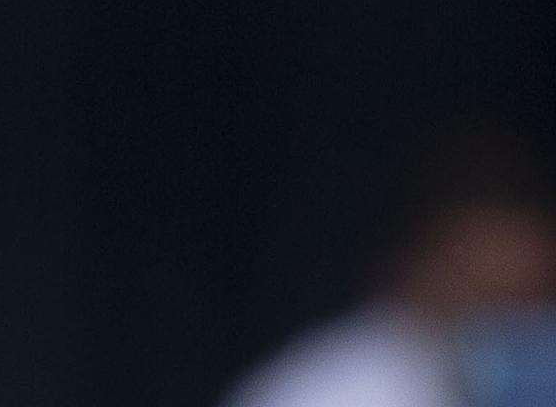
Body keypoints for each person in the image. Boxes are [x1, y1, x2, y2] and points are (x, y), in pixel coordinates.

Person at [220, 120, 556, 407]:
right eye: (489, 300)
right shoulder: (322, 394)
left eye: (531, 302)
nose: (516, 328)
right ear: (421, 269)